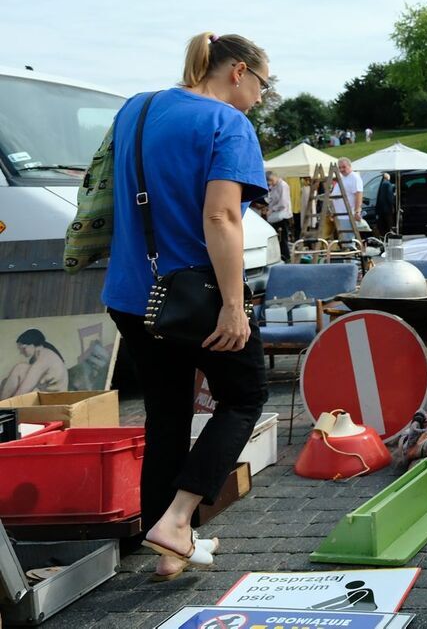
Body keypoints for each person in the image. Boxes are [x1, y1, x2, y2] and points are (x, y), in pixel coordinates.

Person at [102, 31, 270, 580]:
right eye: (264, 86)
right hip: (193, 297)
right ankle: (177, 519)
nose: (262, 99)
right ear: (238, 71)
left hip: (130, 293)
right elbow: (221, 218)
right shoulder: (228, 124)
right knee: (244, 396)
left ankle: (169, 548)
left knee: (167, 413)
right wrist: (233, 305)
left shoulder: (136, 108)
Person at [0, 329, 69, 398]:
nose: (21, 352)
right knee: (20, 369)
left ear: (33, 344)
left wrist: (10, 403)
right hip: (49, 394)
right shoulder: (43, 354)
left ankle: (2, 404)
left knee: (19, 368)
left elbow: (24, 389)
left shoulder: (45, 358)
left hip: (54, 398)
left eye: (23, 348)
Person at [330, 157, 363, 244]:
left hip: (348, 215)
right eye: (340, 167)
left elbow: (358, 194)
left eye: (344, 167)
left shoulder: (354, 177)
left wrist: (357, 211)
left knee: (348, 242)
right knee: (344, 241)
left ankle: (350, 256)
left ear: (349, 166)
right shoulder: (342, 178)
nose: (341, 169)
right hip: (340, 215)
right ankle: (347, 255)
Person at [264, 170, 292, 262]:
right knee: (276, 238)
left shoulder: (283, 185)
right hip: (274, 215)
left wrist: (272, 209)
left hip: (283, 215)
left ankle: (286, 258)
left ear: (275, 177)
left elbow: (283, 202)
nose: (270, 183)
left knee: (282, 239)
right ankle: (278, 256)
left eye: (271, 180)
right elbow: (271, 198)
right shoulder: (273, 186)